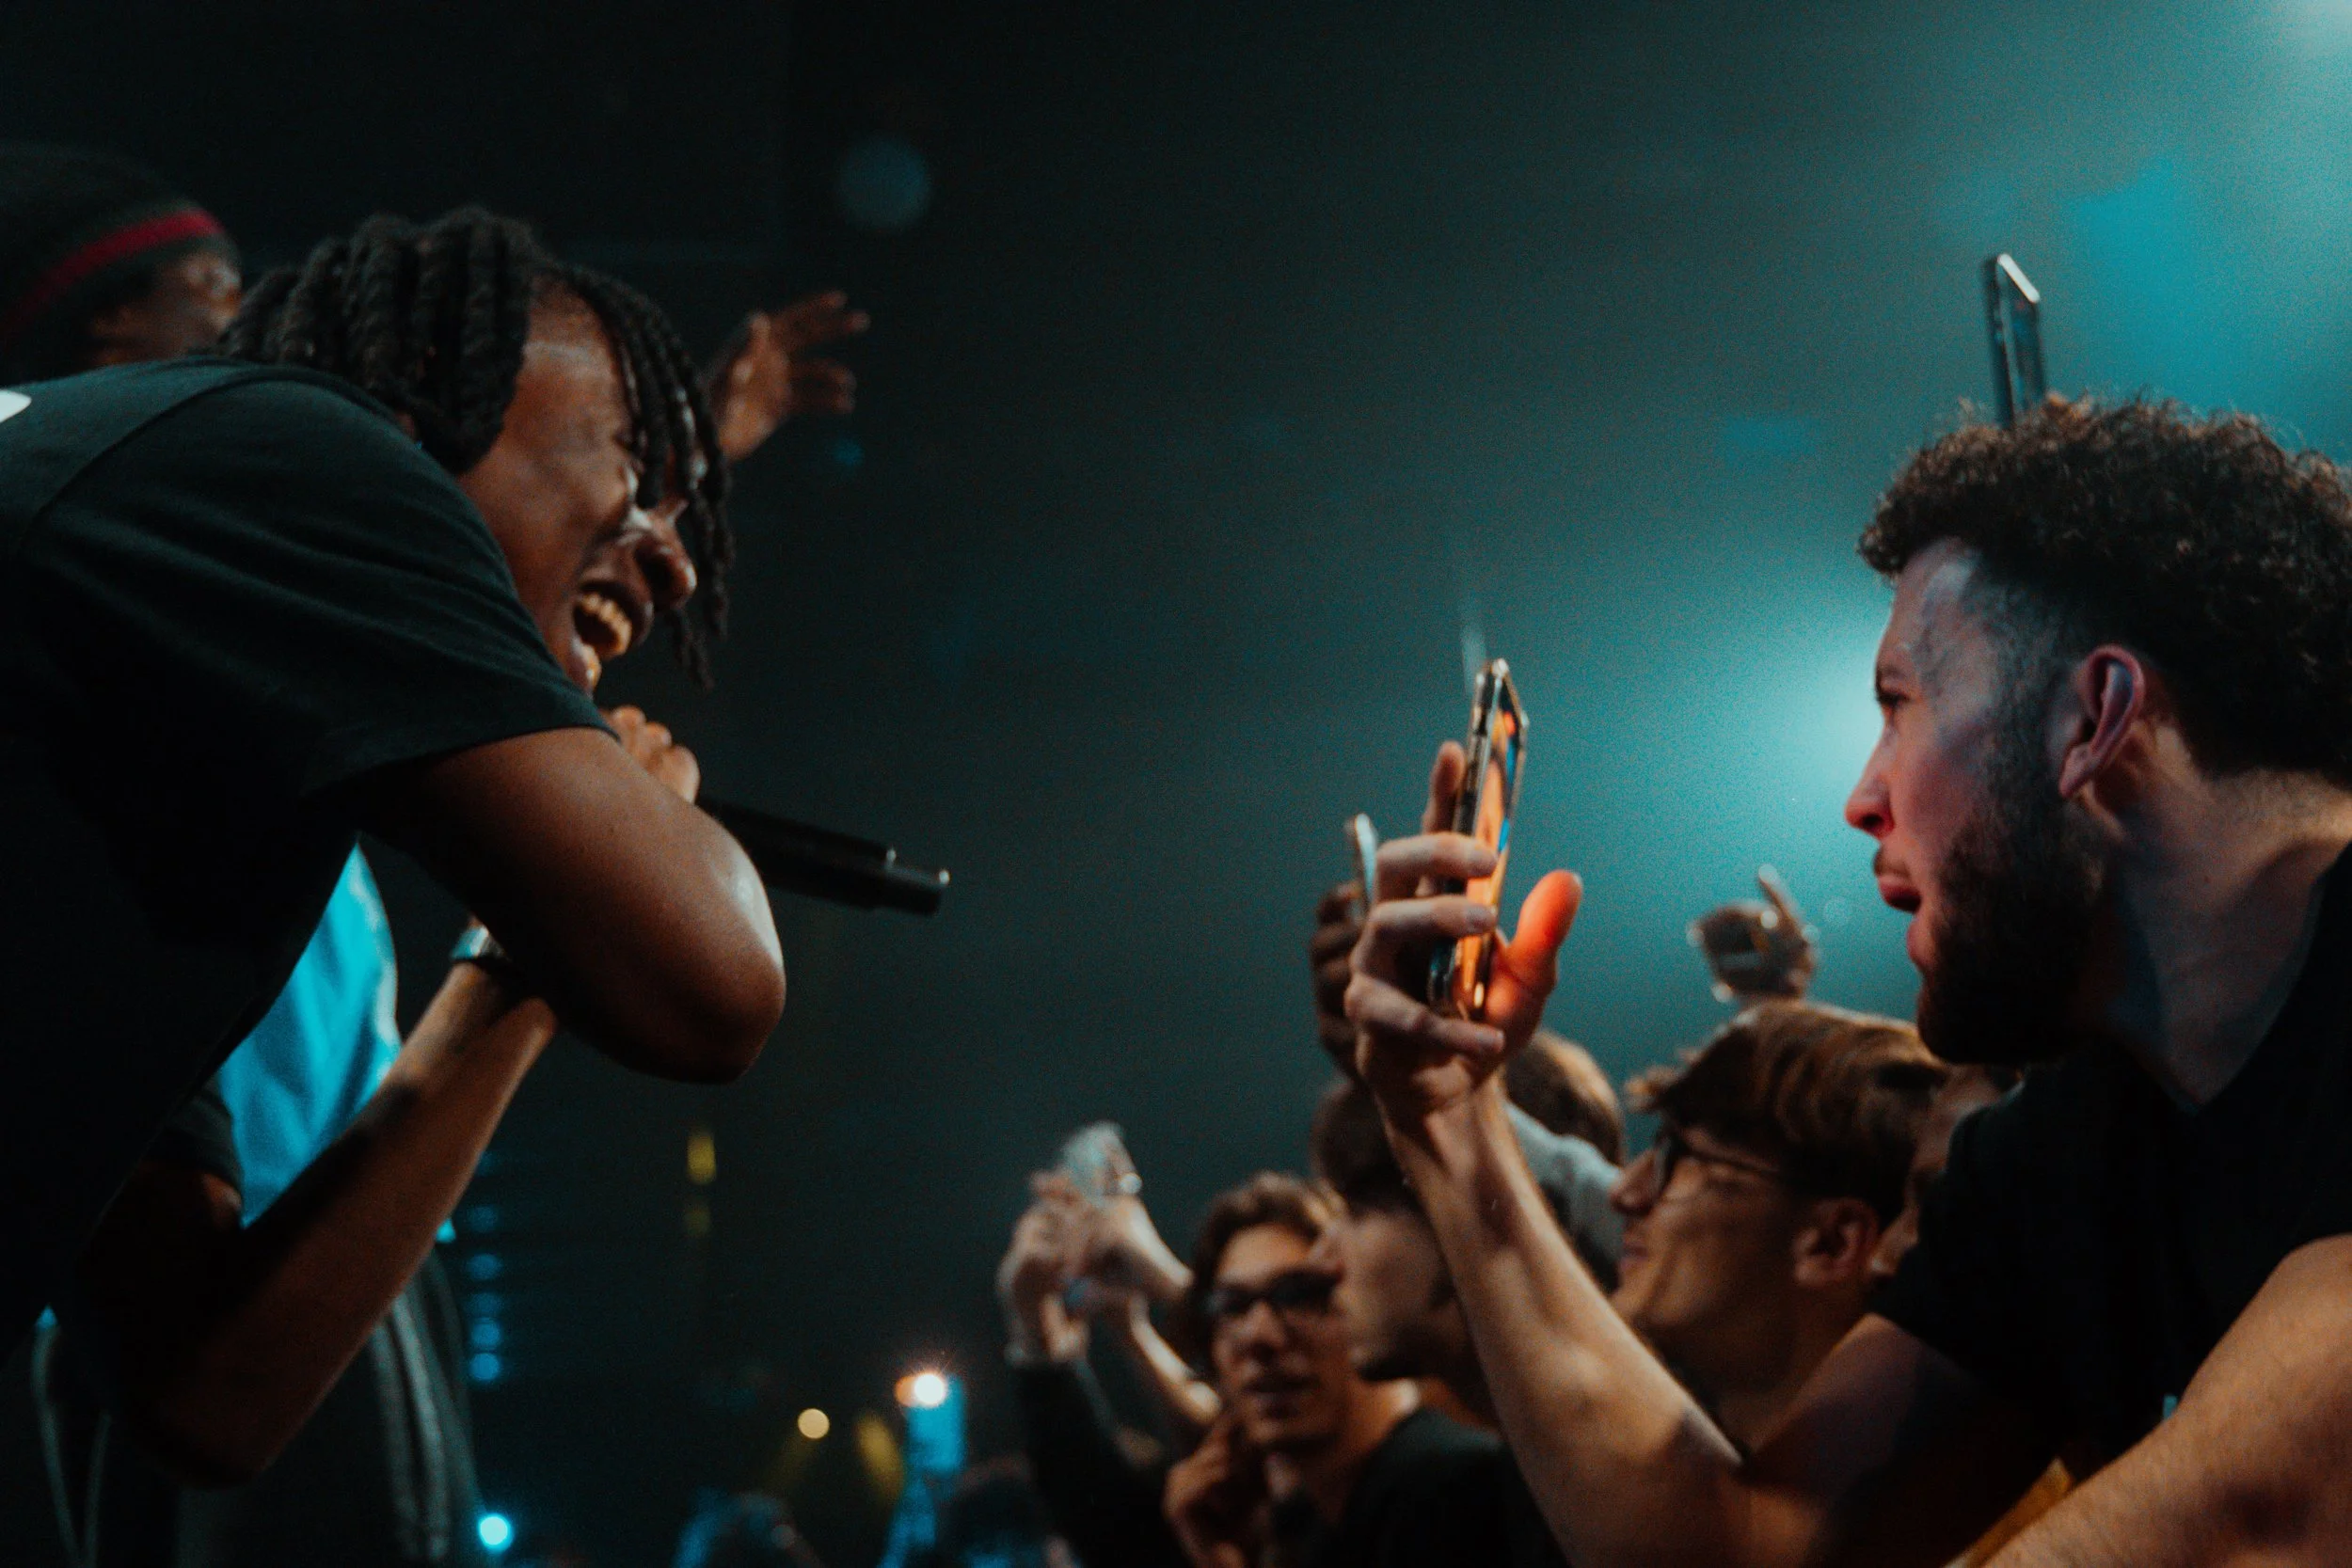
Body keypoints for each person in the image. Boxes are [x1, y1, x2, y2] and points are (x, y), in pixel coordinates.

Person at [1345, 398, 2352, 1565]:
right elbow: (1742, 1548)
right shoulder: (2062, 1156)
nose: (1862, 796)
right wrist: (1450, 1125)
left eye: (1898, 706)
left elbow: (2264, 1508)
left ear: (2094, 715)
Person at [0, 191, 789, 1419]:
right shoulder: (314, 454)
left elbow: (207, 1384)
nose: (678, 563)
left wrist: (506, 974)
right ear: (429, 373)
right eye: (640, 463)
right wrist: (625, 832)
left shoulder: (158, 764)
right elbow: (711, 983)